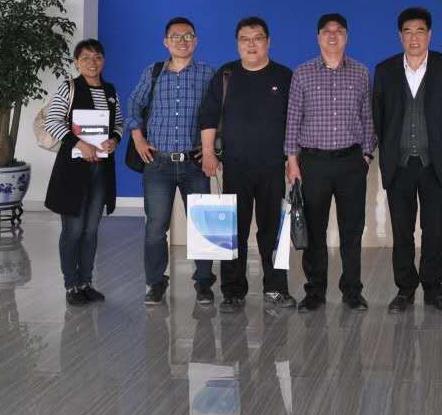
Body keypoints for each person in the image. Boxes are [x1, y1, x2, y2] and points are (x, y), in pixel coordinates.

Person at [198, 16, 295, 313]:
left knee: (273, 231)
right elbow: (208, 116)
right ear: (237, 43)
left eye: (258, 38)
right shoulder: (226, 75)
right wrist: (208, 153)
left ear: (268, 41)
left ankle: (276, 288)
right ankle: (232, 292)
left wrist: (293, 161)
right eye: (245, 39)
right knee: (232, 232)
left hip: (272, 167)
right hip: (234, 167)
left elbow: (296, 122)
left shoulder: (284, 76)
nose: (251, 45)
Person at [373, 7, 442, 314]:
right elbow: (378, 117)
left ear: (429, 35)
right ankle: (405, 290)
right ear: (400, 36)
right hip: (398, 165)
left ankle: (434, 290)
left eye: (420, 31)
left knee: (433, 230)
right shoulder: (385, 71)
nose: (414, 38)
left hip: (434, 164)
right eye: (408, 32)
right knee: (402, 231)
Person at [286, 13, 376, 312]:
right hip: (313, 163)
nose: (333, 36)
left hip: (351, 162)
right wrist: (292, 161)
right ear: (318, 37)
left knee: (352, 230)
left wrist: (366, 154)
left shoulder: (361, 73)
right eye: (327, 31)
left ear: (346, 37)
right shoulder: (302, 73)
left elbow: (367, 118)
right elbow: (293, 120)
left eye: (339, 31)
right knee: (314, 230)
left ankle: (352, 291)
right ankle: (315, 291)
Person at [126, 17, 217, 306]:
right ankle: (155, 283)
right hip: (159, 165)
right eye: (175, 36)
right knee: (155, 228)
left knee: (203, 225)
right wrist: (138, 139)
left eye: (188, 36)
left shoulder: (208, 73)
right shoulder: (152, 72)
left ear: (196, 41)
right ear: (166, 42)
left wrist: (214, 149)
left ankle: (204, 282)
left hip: (195, 164)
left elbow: (220, 113)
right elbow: (133, 105)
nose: (182, 41)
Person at [44, 39, 124, 306]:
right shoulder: (69, 87)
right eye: (86, 58)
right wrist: (79, 144)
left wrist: (114, 140)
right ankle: (71, 286)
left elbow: (119, 123)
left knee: (91, 230)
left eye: (98, 57)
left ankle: (86, 283)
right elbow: (52, 121)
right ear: (76, 62)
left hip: (101, 170)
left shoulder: (110, 90)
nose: (92, 62)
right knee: (73, 231)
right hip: (73, 171)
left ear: (104, 61)